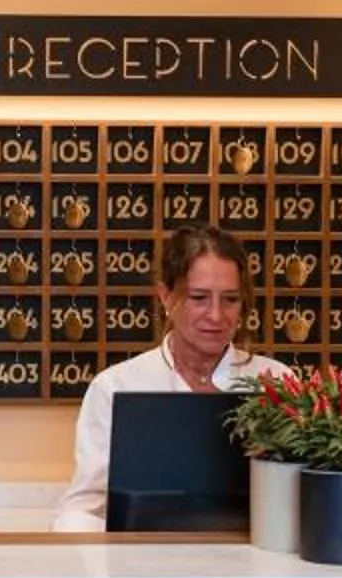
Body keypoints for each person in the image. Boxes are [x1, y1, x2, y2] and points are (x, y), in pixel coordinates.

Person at [52, 225, 292, 532]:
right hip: (142, 573)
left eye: (230, 299)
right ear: (166, 297)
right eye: (199, 297)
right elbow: (83, 509)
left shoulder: (277, 382)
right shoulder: (115, 387)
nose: (216, 316)